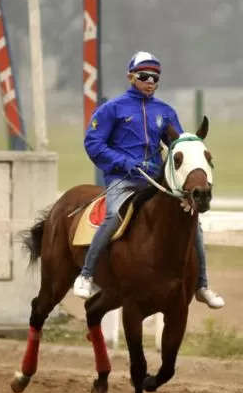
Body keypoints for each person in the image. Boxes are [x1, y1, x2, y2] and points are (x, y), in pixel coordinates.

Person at [72, 51, 225, 309]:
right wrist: (124, 162)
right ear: (131, 77)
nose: (150, 81)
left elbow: (176, 148)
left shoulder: (165, 112)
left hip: (155, 181)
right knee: (113, 217)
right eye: (144, 76)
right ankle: (86, 274)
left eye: (155, 77)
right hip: (123, 179)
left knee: (193, 224)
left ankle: (202, 284)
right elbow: (93, 143)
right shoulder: (112, 109)